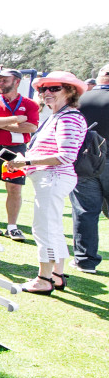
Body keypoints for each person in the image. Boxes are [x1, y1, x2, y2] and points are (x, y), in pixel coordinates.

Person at [4, 71, 88, 294]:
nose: (46, 93)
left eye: (54, 88)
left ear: (70, 92)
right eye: (43, 89)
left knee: (44, 228)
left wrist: (25, 160)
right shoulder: (59, 116)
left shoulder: (69, 117)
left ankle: (44, 279)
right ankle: (57, 275)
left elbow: (65, 155)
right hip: (51, 177)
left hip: (54, 176)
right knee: (53, 227)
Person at [0, 68, 38, 241]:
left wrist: (1, 123)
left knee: (15, 188)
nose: (0, 83)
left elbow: (31, 127)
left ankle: (12, 226)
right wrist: (16, 119)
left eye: (4, 80)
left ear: (17, 82)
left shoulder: (30, 104)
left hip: (17, 150)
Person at [70, 63, 109, 274]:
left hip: (85, 161)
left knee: (85, 211)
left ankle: (85, 261)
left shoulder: (82, 99)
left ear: (102, 77)